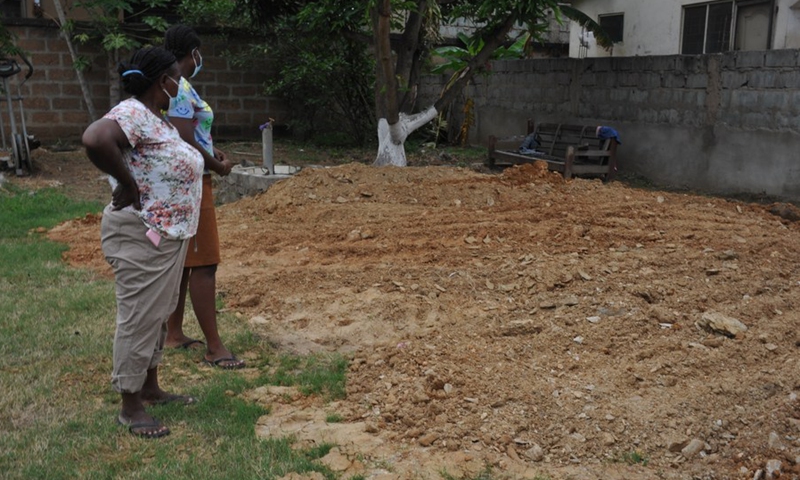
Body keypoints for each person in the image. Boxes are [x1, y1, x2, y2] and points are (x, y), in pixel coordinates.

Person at [82, 46, 205, 439]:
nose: (180, 83)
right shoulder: (133, 112)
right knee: (138, 315)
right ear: (162, 81)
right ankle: (130, 405)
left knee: (156, 312)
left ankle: (149, 387)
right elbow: (95, 138)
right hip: (141, 232)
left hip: (166, 235)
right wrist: (130, 185)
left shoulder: (158, 119)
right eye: (175, 77)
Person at [163, 25, 245, 369]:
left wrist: (215, 150)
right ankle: (214, 347)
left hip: (192, 176)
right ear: (191, 52)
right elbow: (183, 139)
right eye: (198, 53)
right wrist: (217, 165)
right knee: (204, 263)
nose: (201, 59)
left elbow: (194, 132)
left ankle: (174, 333)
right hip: (193, 183)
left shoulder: (176, 86)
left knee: (184, 264)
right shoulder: (179, 89)